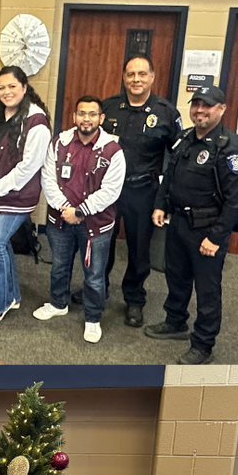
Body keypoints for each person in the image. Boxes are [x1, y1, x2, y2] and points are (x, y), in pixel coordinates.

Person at [146, 85, 238, 365]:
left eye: (207, 105)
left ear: (222, 108)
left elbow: (237, 200)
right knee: (176, 277)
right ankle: (175, 321)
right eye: (196, 105)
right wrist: (161, 204)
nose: (200, 110)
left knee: (207, 289)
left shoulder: (230, 148)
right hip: (178, 222)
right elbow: (169, 176)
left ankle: (203, 344)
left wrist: (216, 237)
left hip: (208, 230)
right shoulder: (184, 139)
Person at [86, 56, 182, 326]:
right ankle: (97, 289)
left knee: (139, 249)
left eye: (142, 74)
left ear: (152, 76)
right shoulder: (108, 107)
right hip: (106, 191)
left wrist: (164, 200)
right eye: (130, 74)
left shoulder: (166, 112)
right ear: (124, 77)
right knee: (101, 241)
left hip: (143, 189)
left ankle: (134, 300)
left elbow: (176, 158)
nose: (136, 79)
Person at [34, 95, 125, 343]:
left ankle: (93, 318)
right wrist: (66, 208)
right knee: (59, 266)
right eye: (82, 113)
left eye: (92, 114)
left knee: (94, 275)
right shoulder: (59, 143)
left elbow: (110, 191)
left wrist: (80, 211)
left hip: (95, 225)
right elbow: (48, 178)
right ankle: (58, 303)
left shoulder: (113, 150)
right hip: (61, 219)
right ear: (74, 117)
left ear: (101, 118)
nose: (87, 118)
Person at [0, 66, 52, 324]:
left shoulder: (36, 121)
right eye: (2, 87)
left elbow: (28, 167)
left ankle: (1, 301)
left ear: (25, 87)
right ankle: (12, 294)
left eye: (12, 86)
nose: (6, 92)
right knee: (2, 244)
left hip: (15, 197)